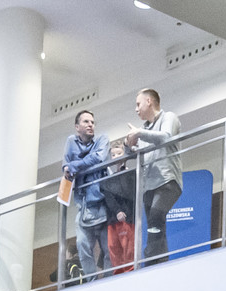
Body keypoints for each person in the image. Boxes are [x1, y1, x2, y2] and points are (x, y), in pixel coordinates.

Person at [125, 88, 182, 264]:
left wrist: (139, 134)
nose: (136, 109)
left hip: (167, 181)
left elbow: (165, 137)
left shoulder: (169, 117)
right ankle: (161, 264)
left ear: (149, 101)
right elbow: (136, 154)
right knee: (156, 224)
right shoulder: (143, 129)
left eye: (138, 104)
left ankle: (150, 261)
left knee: (155, 217)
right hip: (148, 186)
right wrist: (129, 146)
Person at [64, 110, 110, 280]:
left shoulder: (102, 139)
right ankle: (91, 282)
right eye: (86, 122)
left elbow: (98, 158)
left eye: (92, 122)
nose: (91, 124)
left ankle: (109, 279)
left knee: (108, 248)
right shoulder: (71, 141)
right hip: (83, 206)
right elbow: (65, 166)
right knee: (82, 244)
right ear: (77, 127)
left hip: (103, 203)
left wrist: (75, 166)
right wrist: (70, 167)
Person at [101, 141, 138, 273]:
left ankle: (130, 273)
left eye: (119, 153)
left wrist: (124, 212)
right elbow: (108, 197)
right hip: (113, 219)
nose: (116, 157)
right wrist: (117, 211)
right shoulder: (108, 179)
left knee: (129, 249)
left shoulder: (132, 174)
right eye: (113, 155)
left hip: (128, 218)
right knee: (114, 249)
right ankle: (118, 276)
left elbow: (131, 194)